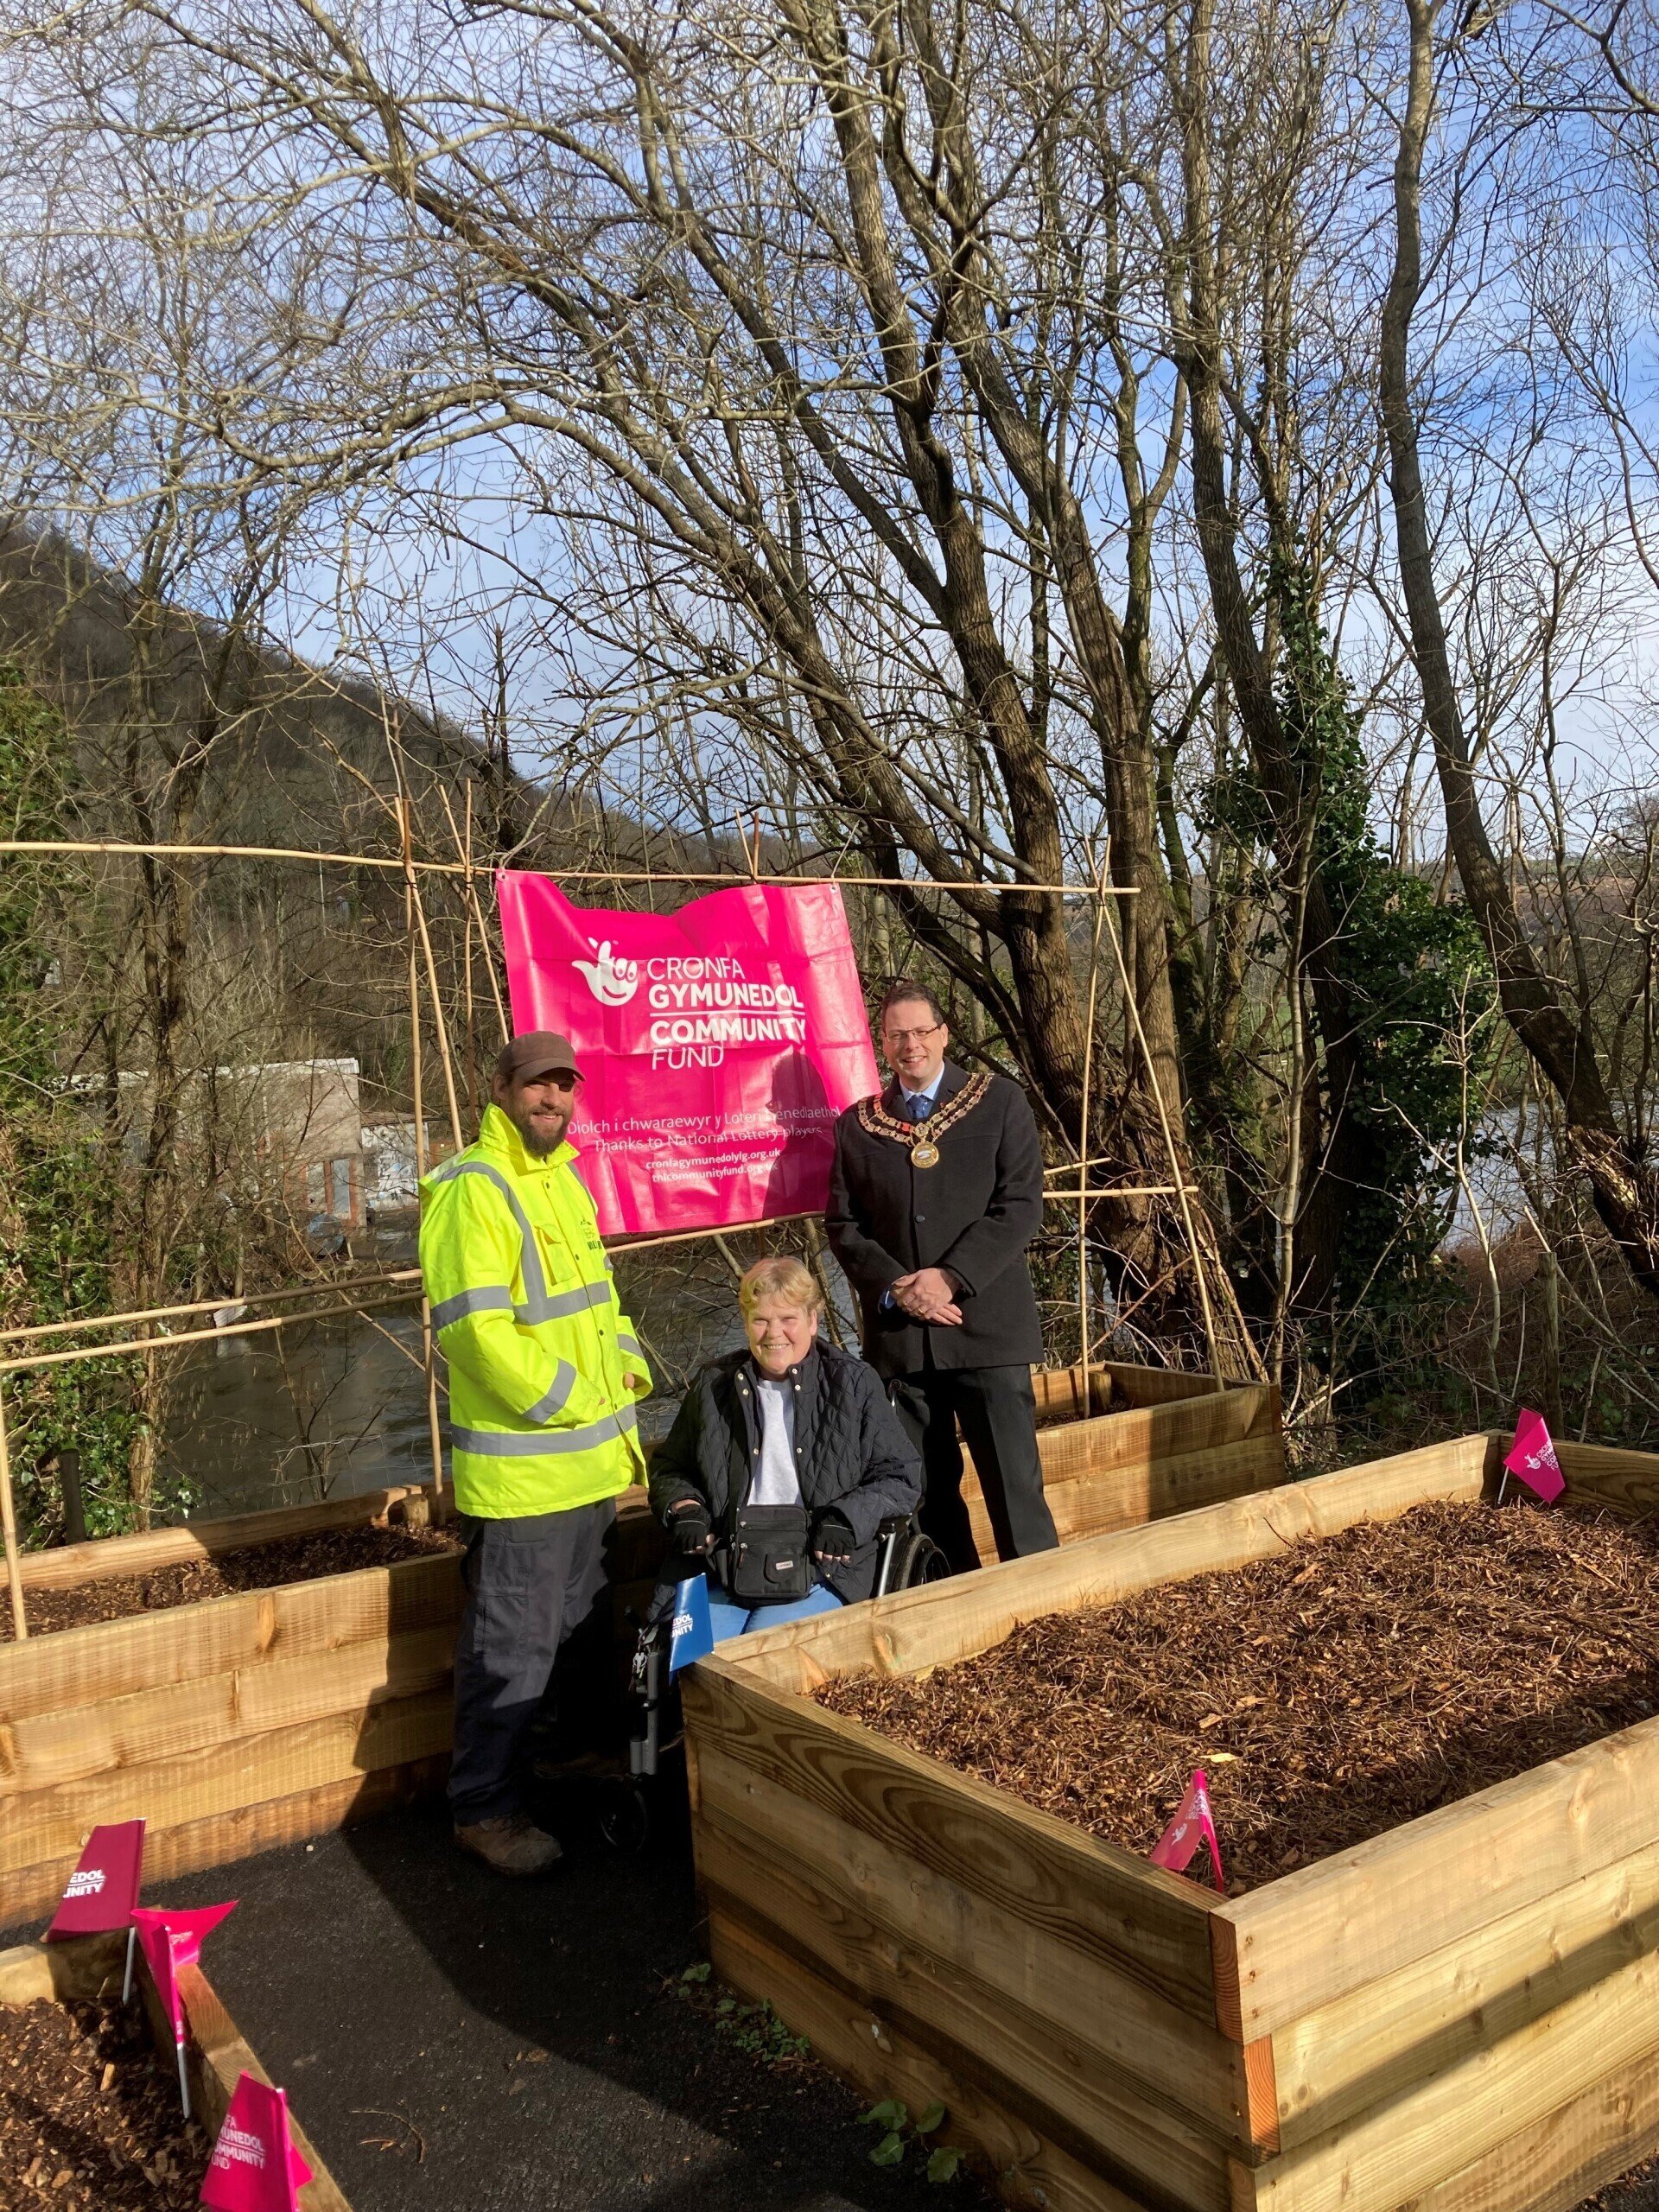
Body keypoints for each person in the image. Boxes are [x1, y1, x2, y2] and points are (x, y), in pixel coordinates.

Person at [419, 1031, 652, 1876]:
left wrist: (625, 1360)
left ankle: (563, 1751)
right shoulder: (472, 1189)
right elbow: (475, 1333)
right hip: (525, 1471)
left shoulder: (565, 1181)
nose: (552, 1099)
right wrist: (566, 1397)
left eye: (564, 1085)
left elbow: (599, 1300)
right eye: (537, 1085)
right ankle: (484, 1806)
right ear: (502, 1088)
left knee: (582, 1633)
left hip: (589, 1463)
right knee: (509, 1647)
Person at [825, 979, 1058, 1574]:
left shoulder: (998, 1101)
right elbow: (844, 1226)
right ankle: (956, 1611)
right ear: (883, 1043)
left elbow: (1019, 1206)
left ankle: (1045, 1611)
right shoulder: (858, 1125)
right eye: (897, 1035)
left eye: (920, 1031)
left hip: (986, 1330)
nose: (910, 1045)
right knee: (925, 1498)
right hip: (904, 1343)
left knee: (1015, 1491)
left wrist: (949, 1279)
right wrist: (902, 1287)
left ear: (944, 1033)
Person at [649, 1255, 921, 1637]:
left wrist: (846, 1517)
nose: (773, 1332)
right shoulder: (713, 1385)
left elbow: (901, 1476)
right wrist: (686, 1508)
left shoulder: (853, 1382)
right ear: (746, 1324)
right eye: (760, 1319)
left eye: (788, 1319)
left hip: (821, 1561)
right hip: (725, 1560)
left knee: (760, 1653)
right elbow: (670, 1468)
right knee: (694, 1661)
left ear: (812, 1320)